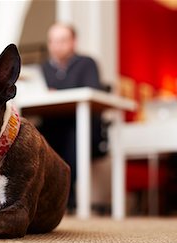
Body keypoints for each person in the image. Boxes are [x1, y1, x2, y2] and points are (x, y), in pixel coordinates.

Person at [39, 23, 107, 212]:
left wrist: (56, 92)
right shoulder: (43, 68)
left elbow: (91, 91)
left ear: (73, 42)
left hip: (82, 126)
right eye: (52, 41)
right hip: (52, 125)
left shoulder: (87, 63)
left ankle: (67, 197)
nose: (57, 45)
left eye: (62, 40)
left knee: (73, 136)